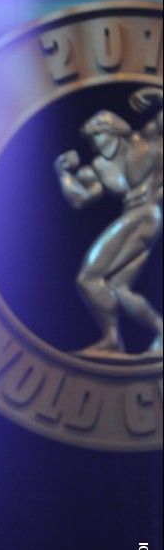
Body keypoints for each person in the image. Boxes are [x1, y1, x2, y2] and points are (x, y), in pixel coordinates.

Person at [54, 86, 162, 359]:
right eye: (91, 139)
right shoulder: (100, 167)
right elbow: (80, 199)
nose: (95, 143)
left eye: (98, 135)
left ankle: (113, 340)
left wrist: (155, 93)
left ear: (114, 130)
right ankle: (153, 334)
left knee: (88, 277)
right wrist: (63, 174)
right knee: (117, 288)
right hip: (136, 217)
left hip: (145, 214)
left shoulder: (146, 139)